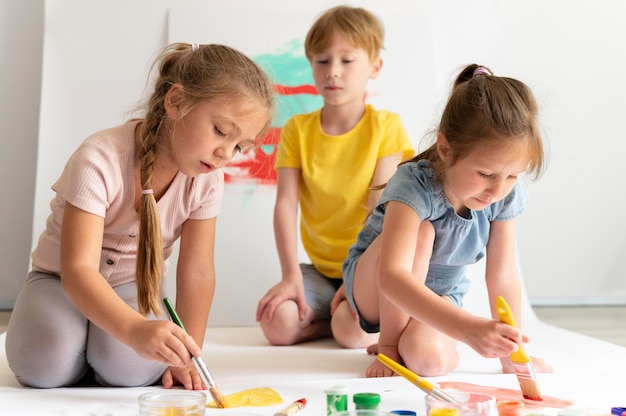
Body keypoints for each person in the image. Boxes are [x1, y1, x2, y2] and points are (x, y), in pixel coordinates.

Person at [6, 43, 275, 389]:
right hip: (59, 281)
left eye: (240, 147)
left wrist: (188, 356)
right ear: (176, 101)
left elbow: (197, 270)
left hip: (133, 286)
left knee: (130, 370)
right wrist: (133, 329)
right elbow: (78, 271)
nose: (226, 153)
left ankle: (97, 350)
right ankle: (78, 350)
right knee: (42, 365)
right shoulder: (99, 158)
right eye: (221, 131)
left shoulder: (207, 180)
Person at [342, 64, 554, 377]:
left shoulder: (503, 193)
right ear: (445, 148)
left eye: (512, 176)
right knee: (423, 233)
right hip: (376, 287)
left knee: (428, 361)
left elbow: (503, 276)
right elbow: (392, 276)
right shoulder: (413, 184)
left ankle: (404, 335)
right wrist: (462, 329)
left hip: (436, 298)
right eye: (485, 174)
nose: (498, 190)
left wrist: (512, 355)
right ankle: (389, 341)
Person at [256, 5, 414, 347]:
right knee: (277, 326)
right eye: (323, 61)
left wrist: (358, 276)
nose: (333, 72)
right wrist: (290, 276)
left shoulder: (386, 127)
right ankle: (327, 316)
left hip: (367, 263)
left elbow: (381, 207)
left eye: (347, 60)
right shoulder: (298, 130)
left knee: (351, 332)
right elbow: (286, 204)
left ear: (374, 67)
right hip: (321, 270)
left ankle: (337, 319)